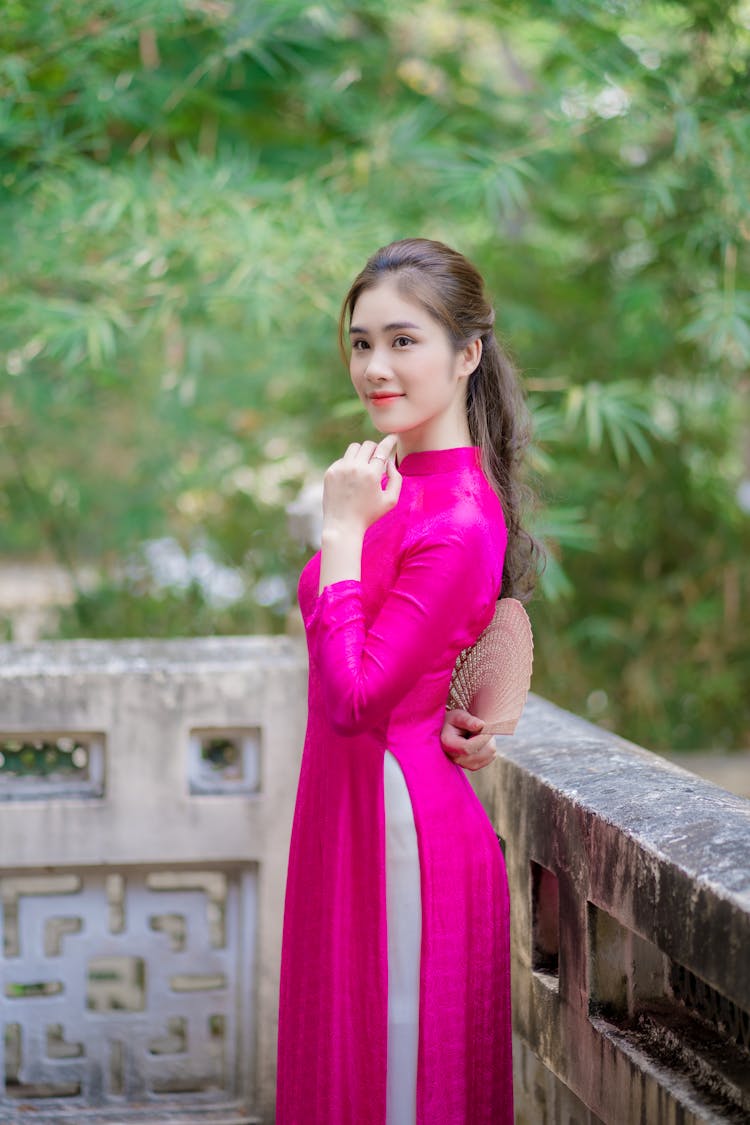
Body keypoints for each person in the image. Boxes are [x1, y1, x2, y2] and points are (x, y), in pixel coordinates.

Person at [276, 238, 539, 1125]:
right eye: (360, 343)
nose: (374, 367)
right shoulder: (391, 482)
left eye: (402, 341)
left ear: (467, 354)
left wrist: (341, 535)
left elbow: (356, 701)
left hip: (399, 827)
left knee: (393, 1086)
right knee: (345, 1062)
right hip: (351, 805)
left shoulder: (457, 514)